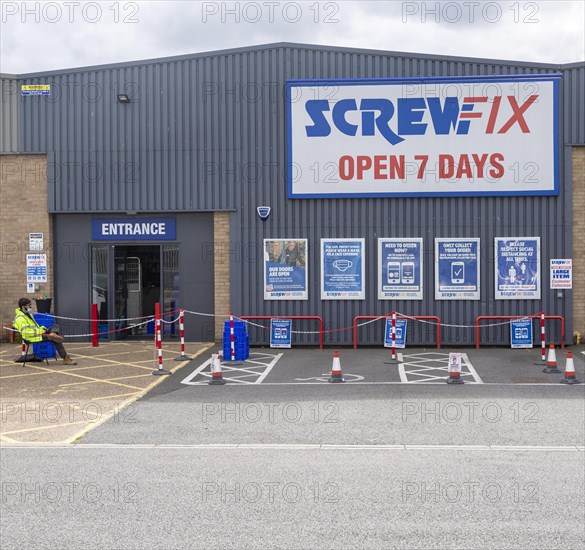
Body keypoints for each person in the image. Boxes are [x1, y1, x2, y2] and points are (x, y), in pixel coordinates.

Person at [13, 298, 77, 365]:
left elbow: (36, 327)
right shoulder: (20, 318)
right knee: (55, 339)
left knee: (55, 326)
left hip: (38, 334)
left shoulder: (29, 315)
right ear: (23, 307)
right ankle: (65, 358)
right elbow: (26, 332)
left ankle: (53, 333)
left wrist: (42, 328)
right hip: (31, 337)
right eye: (29, 305)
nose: (30, 307)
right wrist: (41, 331)